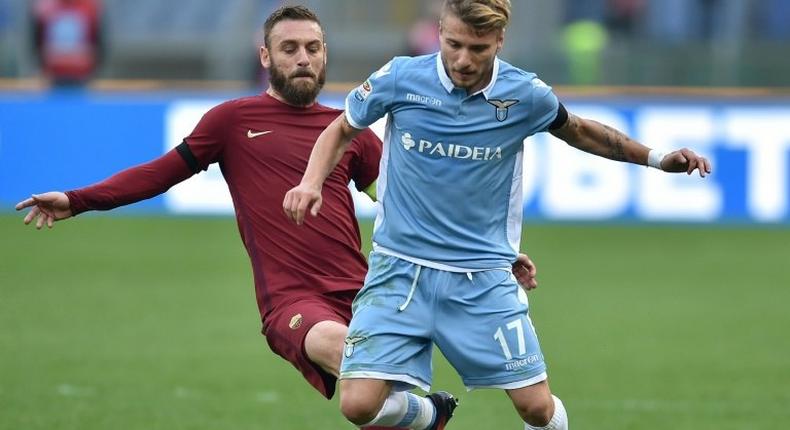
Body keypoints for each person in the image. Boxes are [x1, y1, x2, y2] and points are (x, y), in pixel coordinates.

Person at [15, 5, 538, 430]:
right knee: (350, 362)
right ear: (266, 56)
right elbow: (161, 173)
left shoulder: (348, 130)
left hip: (369, 292)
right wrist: (78, 199)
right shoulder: (231, 122)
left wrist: (495, 255)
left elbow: (422, 206)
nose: (303, 58)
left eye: (313, 48)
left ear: (325, 54)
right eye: (289, 49)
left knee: (367, 405)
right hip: (292, 301)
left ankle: (426, 415)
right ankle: (429, 412)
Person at [283, 1, 712, 429]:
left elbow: (580, 131)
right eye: (453, 44)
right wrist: (310, 181)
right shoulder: (399, 77)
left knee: (537, 410)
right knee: (358, 406)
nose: (464, 60)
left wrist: (657, 158)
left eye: (478, 48)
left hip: (480, 278)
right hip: (399, 272)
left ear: (499, 41)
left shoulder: (524, 94)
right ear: (439, 32)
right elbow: (342, 129)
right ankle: (431, 415)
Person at [32, 0, 103, 86]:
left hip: (83, 76)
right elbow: (36, 42)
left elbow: (99, 43)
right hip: (51, 76)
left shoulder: (91, 8)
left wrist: (95, 68)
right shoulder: (44, 8)